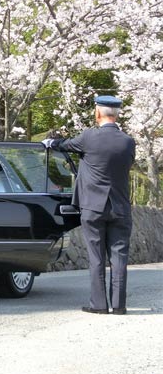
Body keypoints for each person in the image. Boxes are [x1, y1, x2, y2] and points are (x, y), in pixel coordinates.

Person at [42, 96, 135, 315]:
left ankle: (99, 305)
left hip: (93, 207)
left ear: (98, 113)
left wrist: (51, 143)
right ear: (117, 114)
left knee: (96, 258)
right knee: (119, 258)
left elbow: (63, 145)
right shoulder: (128, 141)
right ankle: (119, 305)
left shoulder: (89, 137)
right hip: (120, 207)